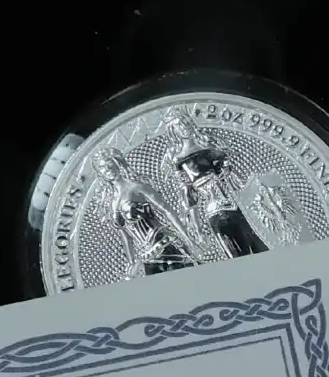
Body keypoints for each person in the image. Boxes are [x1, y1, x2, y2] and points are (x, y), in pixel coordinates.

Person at [162, 110, 268, 259]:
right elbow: (190, 199)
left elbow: (237, 179)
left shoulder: (211, 148)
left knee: (259, 246)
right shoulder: (179, 161)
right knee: (236, 255)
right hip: (216, 212)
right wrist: (198, 230)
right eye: (179, 125)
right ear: (173, 131)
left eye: (185, 122)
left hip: (238, 207)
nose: (184, 126)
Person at [92, 148, 198, 278]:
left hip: (165, 246)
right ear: (99, 173)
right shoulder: (110, 203)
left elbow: (166, 211)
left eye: (109, 163)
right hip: (147, 258)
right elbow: (125, 236)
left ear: (117, 163)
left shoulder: (137, 187)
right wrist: (131, 262)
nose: (107, 169)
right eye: (102, 167)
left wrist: (188, 239)